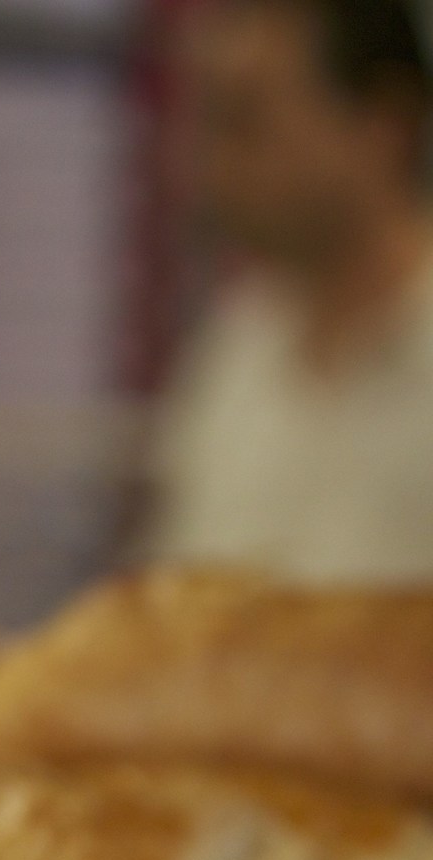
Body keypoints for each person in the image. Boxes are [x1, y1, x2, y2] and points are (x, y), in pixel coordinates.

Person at [148, 0, 433, 581]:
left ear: (385, 123)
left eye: (246, 120)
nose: (212, 165)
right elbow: (180, 603)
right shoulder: (238, 347)